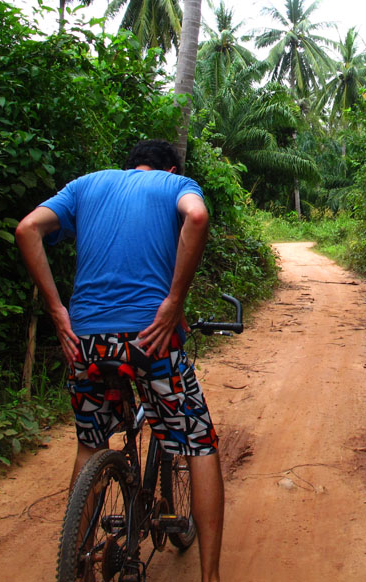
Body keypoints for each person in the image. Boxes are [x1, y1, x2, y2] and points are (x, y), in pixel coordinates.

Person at [15, 139, 223, 582]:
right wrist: (172, 302)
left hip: (86, 341)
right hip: (150, 339)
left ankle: (81, 556)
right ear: (167, 171)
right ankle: (211, 577)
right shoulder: (175, 186)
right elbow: (198, 216)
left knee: (91, 444)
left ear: (129, 167)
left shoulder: (85, 185)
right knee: (199, 444)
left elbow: (27, 228)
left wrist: (57, 310)